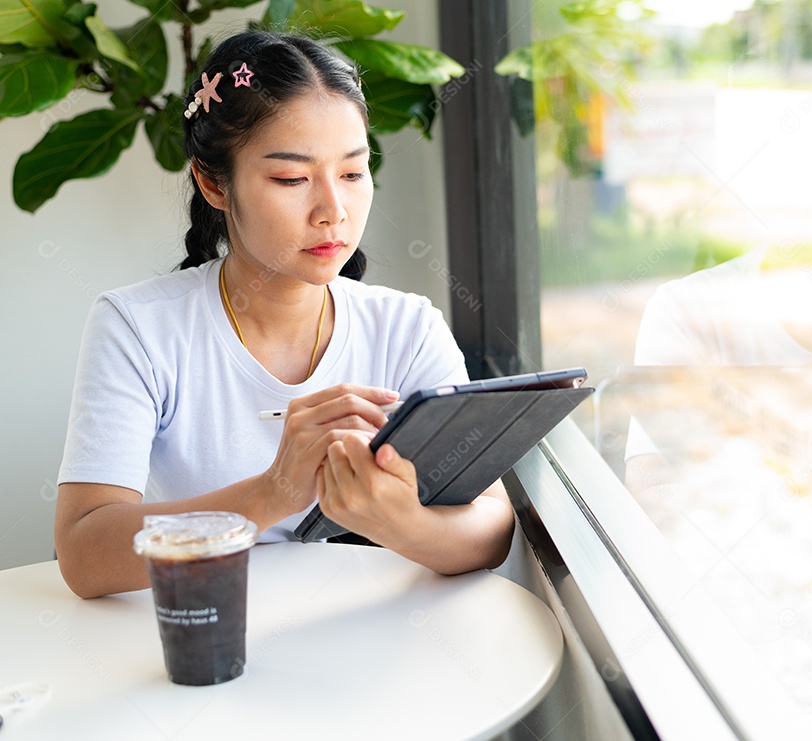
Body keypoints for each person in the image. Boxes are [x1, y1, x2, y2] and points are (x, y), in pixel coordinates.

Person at [54, 30, 514, 599]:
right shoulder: (139, 328)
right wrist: (273, 492)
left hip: (370, 642)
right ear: (212, 181)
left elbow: (493, 525)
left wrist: (398, 521)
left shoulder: (407, 328)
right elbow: (83, 550)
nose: (332, 211)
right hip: (207, 639)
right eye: (291, 179)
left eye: (352, 172)